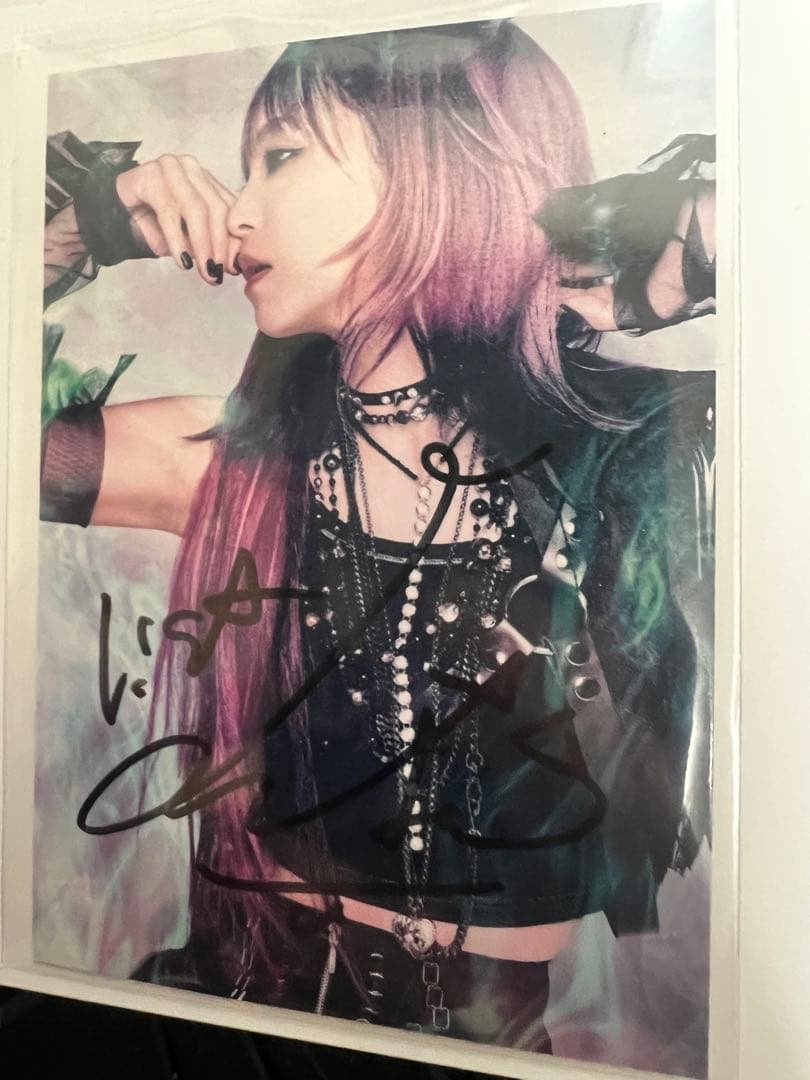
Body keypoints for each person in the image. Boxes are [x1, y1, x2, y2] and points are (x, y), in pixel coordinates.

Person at [40, 19, 715, 1055]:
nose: (239, 207)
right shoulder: (232, 465)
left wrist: (708, 235)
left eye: (281, 156)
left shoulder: (628, 454)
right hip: (215, 1027)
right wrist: (77, 225)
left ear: (435, 164)